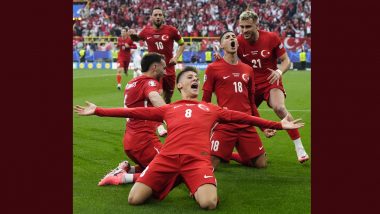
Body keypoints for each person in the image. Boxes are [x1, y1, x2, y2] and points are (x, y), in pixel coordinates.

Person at [74, 67, 304, 210]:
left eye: (198, 77)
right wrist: (98, 110)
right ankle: (181, 179)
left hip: (197, 161)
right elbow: (133, 111)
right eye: (190, 77)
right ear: (180, 85)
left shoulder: (211, 108)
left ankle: (192, 181)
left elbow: (244, 118)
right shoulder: (169, 109)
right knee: (134, 199)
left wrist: (278, 124)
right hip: (166, 159)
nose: (196, 79)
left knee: (209, 203)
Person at [215, 11, 309, 163]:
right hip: (250, 83)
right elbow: (230, 58)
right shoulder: (238, 40)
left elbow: (286, 61)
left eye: (248, 27)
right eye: (242, 27)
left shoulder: (271, 38)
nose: (244, 31)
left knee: (279, 108)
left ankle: (299, 147)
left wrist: (279, 71)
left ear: (257, 26)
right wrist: (220, 59)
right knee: (236, 117)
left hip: (270, 80)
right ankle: (222, 151)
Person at [203, 31, 275, 169]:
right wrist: (208, 127)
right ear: (222, 45)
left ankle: (229, 154)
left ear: (237, 43)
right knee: (210, 166)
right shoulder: (212, 68)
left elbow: (252, 103)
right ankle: (223, 152)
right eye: (227, 37)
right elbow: (205, 101)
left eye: (233, 37)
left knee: (261, 164)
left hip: (246, 123)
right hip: (225, 124)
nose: (232, 38)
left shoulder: (248, 69)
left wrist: (263, 128)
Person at [103, 53, 168, 185]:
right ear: (155, 67)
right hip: (144, 141)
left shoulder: (132, 83)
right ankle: (123, 177)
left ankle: (128, 169)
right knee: (169, 170)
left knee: (151, 166)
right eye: (164, 68)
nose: (166, 72)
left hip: (131, 140)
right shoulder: (150, 82)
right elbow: (154, 96)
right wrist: (174, 115)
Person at [128, 7, 185, 103]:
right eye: (155, 15)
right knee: (156, 94)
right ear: (151, 17)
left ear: (163, 17)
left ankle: (165, 115)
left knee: (168, 98)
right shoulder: (146, 31)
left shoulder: (171, 30)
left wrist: (176, 57)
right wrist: (133, 36)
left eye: (160, 15)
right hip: (154, 70)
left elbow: (182, 44)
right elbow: (137, 39)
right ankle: (154, 116)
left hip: (169, 68)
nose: (158, 17)